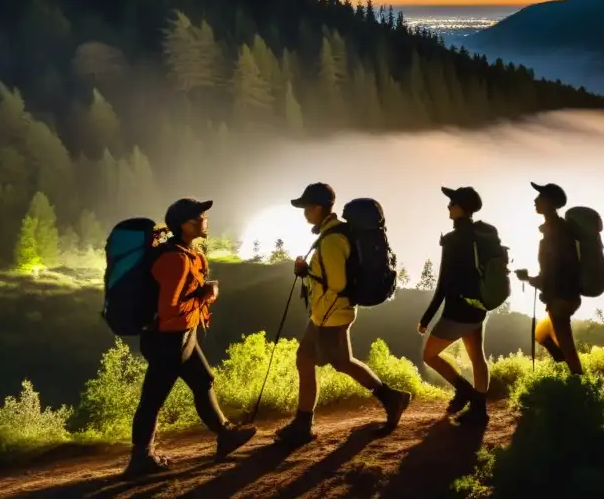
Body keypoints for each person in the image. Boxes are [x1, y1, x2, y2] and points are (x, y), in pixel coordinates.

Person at [126, 198, 256, 478]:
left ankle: (225, 434)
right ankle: (140, 458)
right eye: (198, 217)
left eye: (203, 216)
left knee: (203, 380)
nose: (204, 220)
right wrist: (204, 296)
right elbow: (169, 309)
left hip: (183, 335)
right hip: (167, 340)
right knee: (152, 399)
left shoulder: (188, 252)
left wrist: (200, 296)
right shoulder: (175, 260)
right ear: (184, 225)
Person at [275, 182, 411, 446]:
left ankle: (392, 398)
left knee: (342, 363)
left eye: (306, 208)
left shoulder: (333, 240)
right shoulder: (331, 233)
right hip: (324, 313)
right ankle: (303, 423)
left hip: (332, 315)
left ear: (318, 208)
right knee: (305, 358)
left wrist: (307, 272)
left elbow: (337, 283)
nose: (304, 213)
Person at [418, 187, 491, 427]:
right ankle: (479, 408)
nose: (448, 207)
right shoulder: (482, 236)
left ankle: (465, 392)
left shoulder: (453, 239)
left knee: (429, 355)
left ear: (461, 207)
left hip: (457, 311)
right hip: (479, 307)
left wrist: (427, 317)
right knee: (477, 357)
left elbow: (444, 282)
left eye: (452, 203)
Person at [514, 181, 583, 376]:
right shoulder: (558, 229)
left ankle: (579, 383)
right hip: (566, 295)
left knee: (566, 343)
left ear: (549, 202)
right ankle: (565, 368)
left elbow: (553, 272)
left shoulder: (555, 232)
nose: (535, 201)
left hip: (561, 296)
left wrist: (529, 279)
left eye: (539, 197)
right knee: (542, 334)